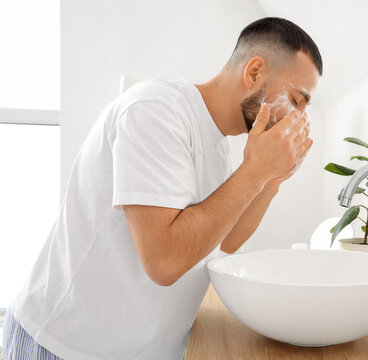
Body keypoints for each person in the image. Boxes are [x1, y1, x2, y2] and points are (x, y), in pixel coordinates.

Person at [2, 16, 322, 359]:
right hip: (65, 345)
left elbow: (226, 240)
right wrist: (255, 172)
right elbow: (164, 261)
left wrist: (272, 180)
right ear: (254, 72)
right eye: (296, 100)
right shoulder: (156, 111)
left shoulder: (217, 144)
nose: (299, 118)